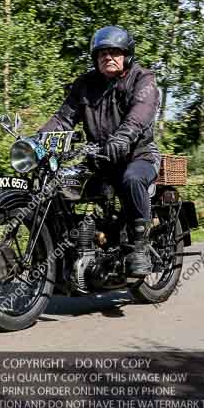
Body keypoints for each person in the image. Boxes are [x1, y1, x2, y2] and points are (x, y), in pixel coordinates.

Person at [38, 25, 160, 276]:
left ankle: (140, 247)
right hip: (99, 159)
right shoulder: (85, 84)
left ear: (127, 55)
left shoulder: (142, 79)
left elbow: (140, 112)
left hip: (138, 155)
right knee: (61, 185)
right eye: (102, 53)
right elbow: (63, 119)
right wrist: (37, 141)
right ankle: (75, 248)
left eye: (115, 51)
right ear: (95, 58)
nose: (108, 57)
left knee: (133, 178)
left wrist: (123, 138)